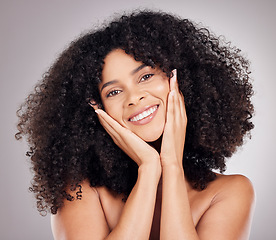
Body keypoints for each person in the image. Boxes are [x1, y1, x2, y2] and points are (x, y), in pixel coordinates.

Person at [16, 10, 255, 239]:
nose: (133, 98)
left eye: (146, 76)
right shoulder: (80, 191)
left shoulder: (230, 192)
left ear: (177, 78)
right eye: (114, 92)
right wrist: (149, 169)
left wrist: (170, 165)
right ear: (97, 109)